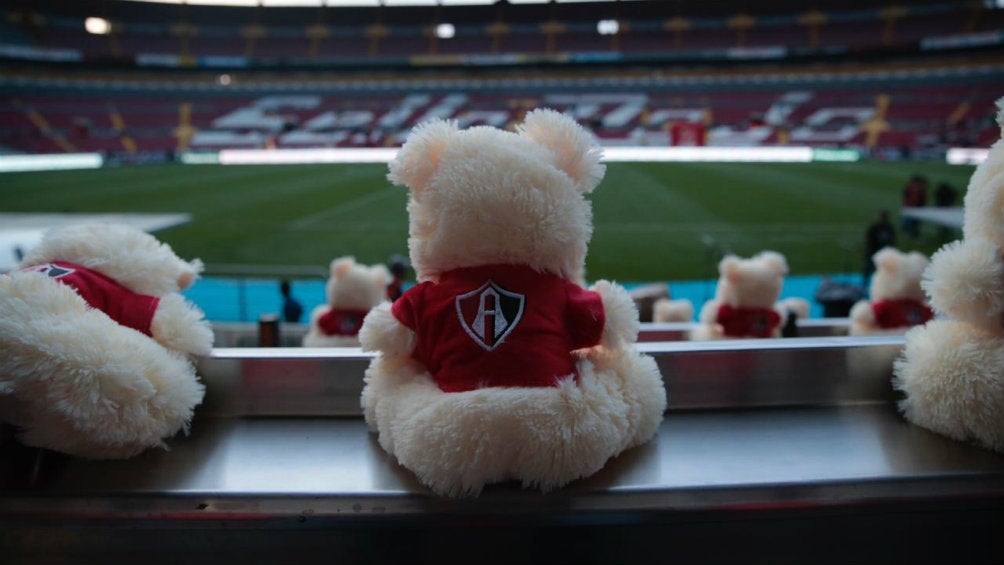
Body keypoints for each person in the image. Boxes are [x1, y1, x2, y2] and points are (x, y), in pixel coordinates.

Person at [863, 210, 896, 287]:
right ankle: (864, 284)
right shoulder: (874, 228)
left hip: (884, 253)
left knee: (883, 270)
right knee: (868, 268)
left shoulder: (889, 228)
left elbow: (892, 242)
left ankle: (882, 285)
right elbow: (869, 241)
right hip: (873, 252)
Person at [901, 174, 928, 240]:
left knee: (909, 222)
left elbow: (905, 194)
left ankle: (907, 235)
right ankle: (914, 236)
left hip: (909, 206)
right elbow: (916, 198)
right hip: (914, 207)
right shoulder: (917, 188)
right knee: (914, 223)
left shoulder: (910, 186)